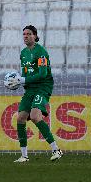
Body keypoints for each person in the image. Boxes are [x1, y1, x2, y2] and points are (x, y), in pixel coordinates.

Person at [9, 25, 63, 162]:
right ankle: (24, 155)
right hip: (30, 88)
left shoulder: (41, 52)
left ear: (35, 36)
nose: (25, 36)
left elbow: (43, 74)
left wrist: (24, 79)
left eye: (28, 34)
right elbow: (24, 73)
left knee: (34, 116)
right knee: (20, 118)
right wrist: (18, 82)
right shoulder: (23, 53)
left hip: (43, 87)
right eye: (24, 34)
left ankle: (56, 149)